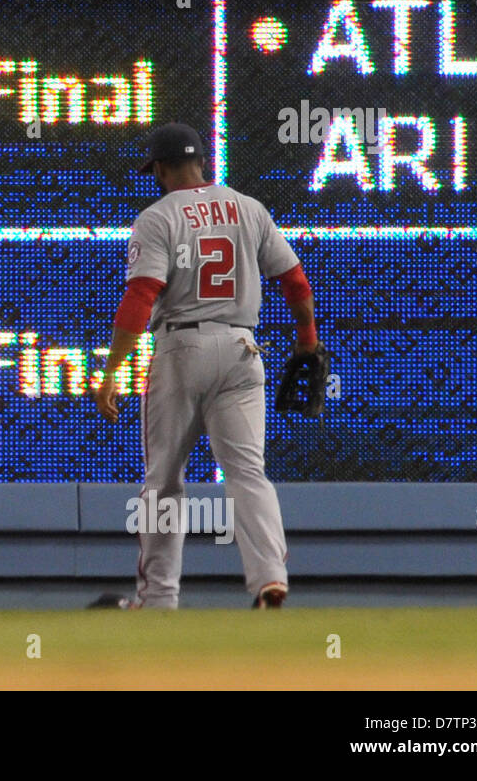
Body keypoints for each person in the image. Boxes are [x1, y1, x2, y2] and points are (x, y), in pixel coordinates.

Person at [90, 123, 319, 609]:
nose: (157, 177)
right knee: (248, 474)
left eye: (156, 169)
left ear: (166, 167)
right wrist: (306, 342)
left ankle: (159, 598)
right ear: (203, 162)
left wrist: (111, 370)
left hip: (181, 350)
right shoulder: (249, 207)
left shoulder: (158, 217)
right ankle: (270, 580)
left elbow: (140, 296)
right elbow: (295, 281)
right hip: (242, 349)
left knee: (165, 481)